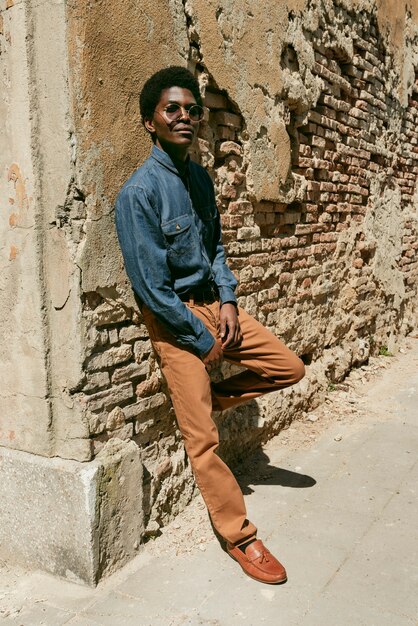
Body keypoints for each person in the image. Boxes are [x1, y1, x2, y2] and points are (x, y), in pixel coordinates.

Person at [115, 66, 305, 584]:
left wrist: (226, 301)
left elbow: (215, 246)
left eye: (192, 110)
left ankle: (213, 398)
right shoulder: (139, 194)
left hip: (212, 307)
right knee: (203, 442)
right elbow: (151, 289)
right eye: (171, 109)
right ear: (150, 122)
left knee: (288, 367)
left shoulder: (198, 177)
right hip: (175, 321)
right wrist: (201, 339)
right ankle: (242, 538)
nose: (184, 117)